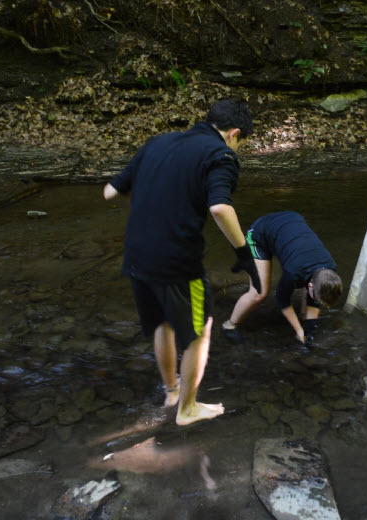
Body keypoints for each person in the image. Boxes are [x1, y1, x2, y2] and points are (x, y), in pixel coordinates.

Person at [103, 99, 262, 426]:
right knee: (200, 329)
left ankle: (172, 391)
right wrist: (244, 254)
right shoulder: (221, 155)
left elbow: (109, 192)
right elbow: (219, 208)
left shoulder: (158, 142)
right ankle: (187, 409)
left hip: (136, 256)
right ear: (233, 134)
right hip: (177, 261)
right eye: (240, 142)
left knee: (162, 323)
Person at [222, 211, 342, 345]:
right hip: (260, 234)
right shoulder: (294, 271)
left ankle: (247, 262)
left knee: (311, 301)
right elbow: (282, 300)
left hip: (291, 221)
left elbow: (313, 298)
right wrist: (298, 330)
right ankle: (229, 325)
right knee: (259, 293)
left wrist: (309, 329)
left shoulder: (330, 270)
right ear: (310, 285)